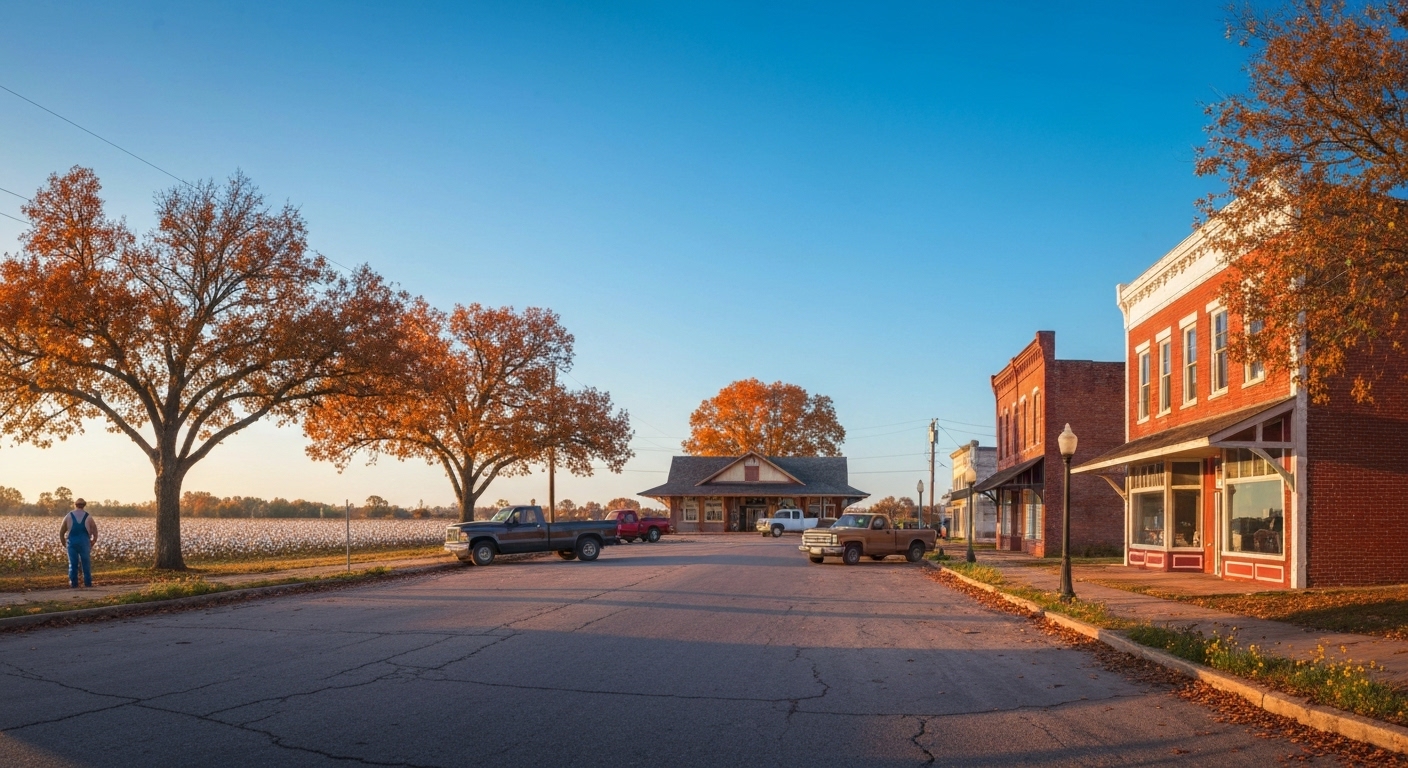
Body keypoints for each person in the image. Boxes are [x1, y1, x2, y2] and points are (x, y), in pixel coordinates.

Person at [59, 498, 98, 588]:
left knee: (73, 564)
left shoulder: (68, 516)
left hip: (72, 543)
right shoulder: (88, 517)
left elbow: (61, 532)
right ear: (84, 505)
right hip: (84, 543)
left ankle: (74, 584)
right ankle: (88, 583)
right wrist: (93, 541)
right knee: (86, 564)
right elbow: (95, 531)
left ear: (75, 505)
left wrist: (64, 543)